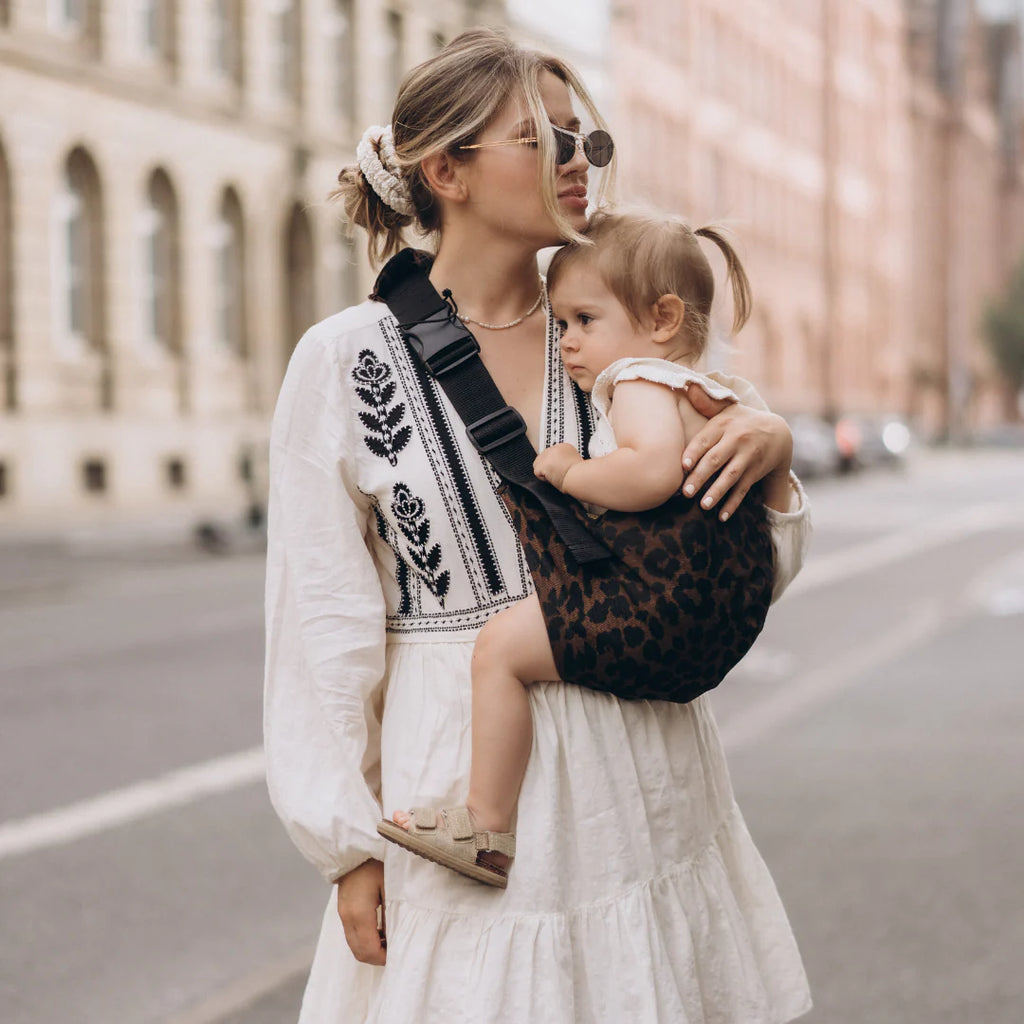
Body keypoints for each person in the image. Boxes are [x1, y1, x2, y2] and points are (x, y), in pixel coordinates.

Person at [264, 27, 812, 1023]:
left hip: (640, 792)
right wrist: (346, 849)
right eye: (542, 139)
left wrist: (768, 453)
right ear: (448, 171)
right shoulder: (345, 359)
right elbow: (319, 628)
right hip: (463, 800)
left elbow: (738, 577)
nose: (577, 162)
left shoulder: (632, 328)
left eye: (583, 139)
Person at [376, 208, 787, 889]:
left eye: (583, 321)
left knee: (501, 650)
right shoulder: (717, 397)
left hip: (655, 600)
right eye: (560, 323)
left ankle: (485, 825)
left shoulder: (638, 382)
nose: (565, 342)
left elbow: (651, 471)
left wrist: (571, 473)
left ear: (661, 319)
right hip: (716, 614)